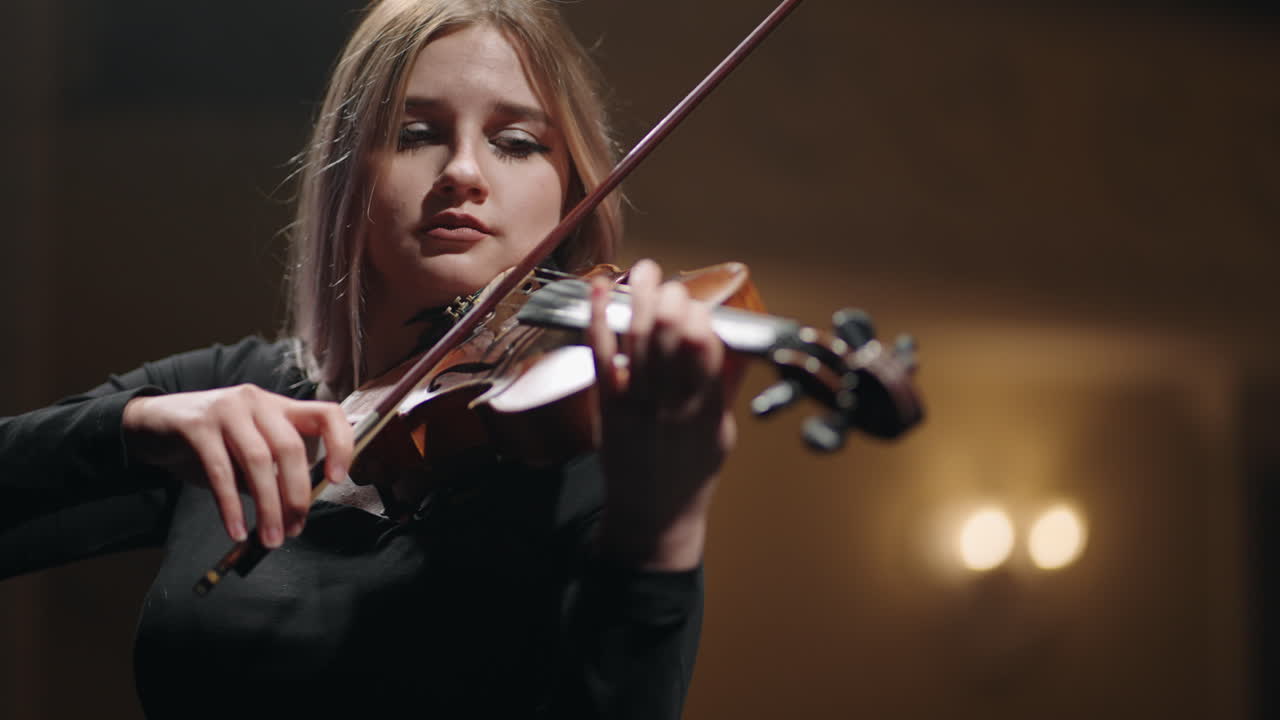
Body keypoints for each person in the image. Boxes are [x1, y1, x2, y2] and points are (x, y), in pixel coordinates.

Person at [0, 1, 737, 717]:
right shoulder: (234, 393)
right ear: (349, 172)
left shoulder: (591, 460)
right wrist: (129, 426)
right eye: (416, 134)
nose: (465, 173)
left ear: (571, 187)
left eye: (517, 143)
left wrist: (657, 532)